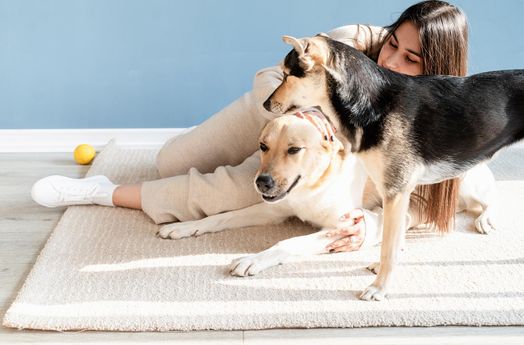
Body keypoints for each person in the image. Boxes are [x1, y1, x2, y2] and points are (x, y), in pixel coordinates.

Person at [31, 0, 475, 253]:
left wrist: (372, 225)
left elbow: (438, 199)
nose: (389, 61)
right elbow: (270, 78)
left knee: (232, 192)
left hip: (308, 156)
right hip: (266, 115)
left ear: (437, 68)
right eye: (392, 43)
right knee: (170, 161)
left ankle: (101, 191)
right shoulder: (351, 44)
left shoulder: (440, 111)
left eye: (410, 59)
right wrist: (303, 113)